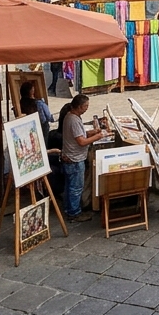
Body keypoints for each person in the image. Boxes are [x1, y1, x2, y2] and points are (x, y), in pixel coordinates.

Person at [60, 94, 106, 222]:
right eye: (86, 106)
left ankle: (68, 209)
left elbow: (78, 135)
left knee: (70, 186)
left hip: (70, 157)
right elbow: (81, 141)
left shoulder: (71, 117)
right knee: (75, 187)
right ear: (80, 106)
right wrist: (97, 137)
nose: (87, 108)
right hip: (75, 158)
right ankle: (74, 213)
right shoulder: (73, 120)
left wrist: (91, 133)